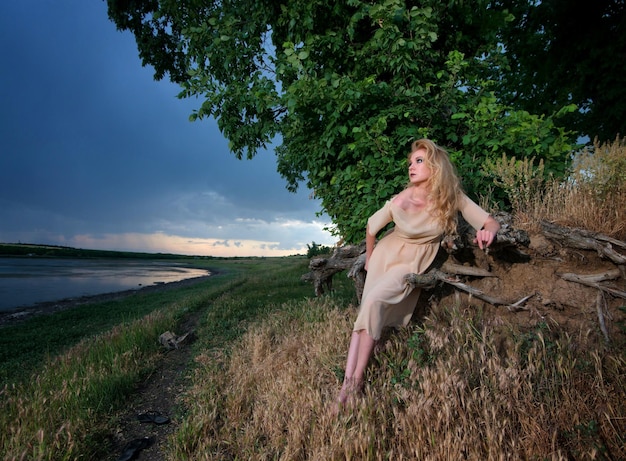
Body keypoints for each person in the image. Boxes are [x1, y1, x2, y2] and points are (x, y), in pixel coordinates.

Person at [336, 138, 500, 407]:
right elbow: (371, 226)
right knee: (368, 310)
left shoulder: (451, 197)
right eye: (411, 162)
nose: (411, 166)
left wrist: (487, 232)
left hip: (412, 263)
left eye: (419, 161)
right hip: (385, 258)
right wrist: (369, 256)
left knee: (374, 304)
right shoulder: (402, 198)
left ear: (435, 167)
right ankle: (348, 386)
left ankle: (356, 381)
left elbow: (490, 221)